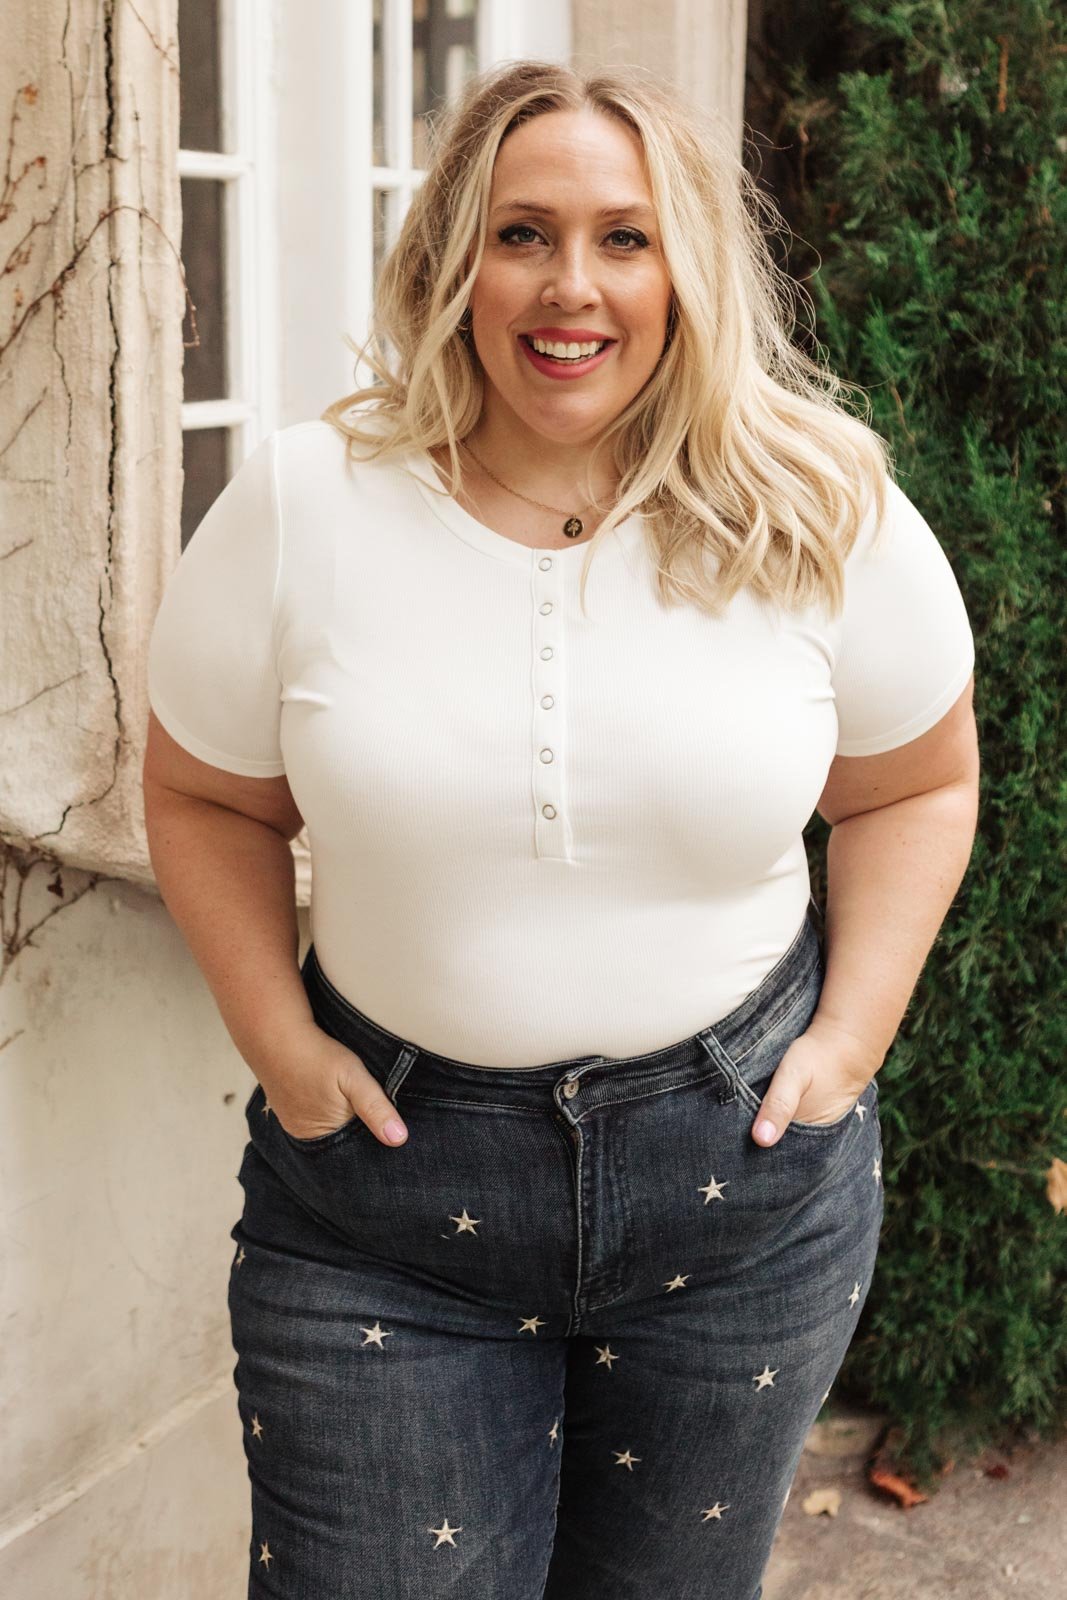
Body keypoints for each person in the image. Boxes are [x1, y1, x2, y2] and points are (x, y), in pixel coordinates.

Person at [142, 59, 979, 1600]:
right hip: (386, 1205)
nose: (568, 287)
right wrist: (279, 1044)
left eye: (625, 237)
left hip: (739, 1196)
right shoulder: (307, 503)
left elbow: (915, 785)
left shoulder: (817, 504)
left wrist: (852, 1039)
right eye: (523, 232)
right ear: (453, 256)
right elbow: (204, 797)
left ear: (689, 272)